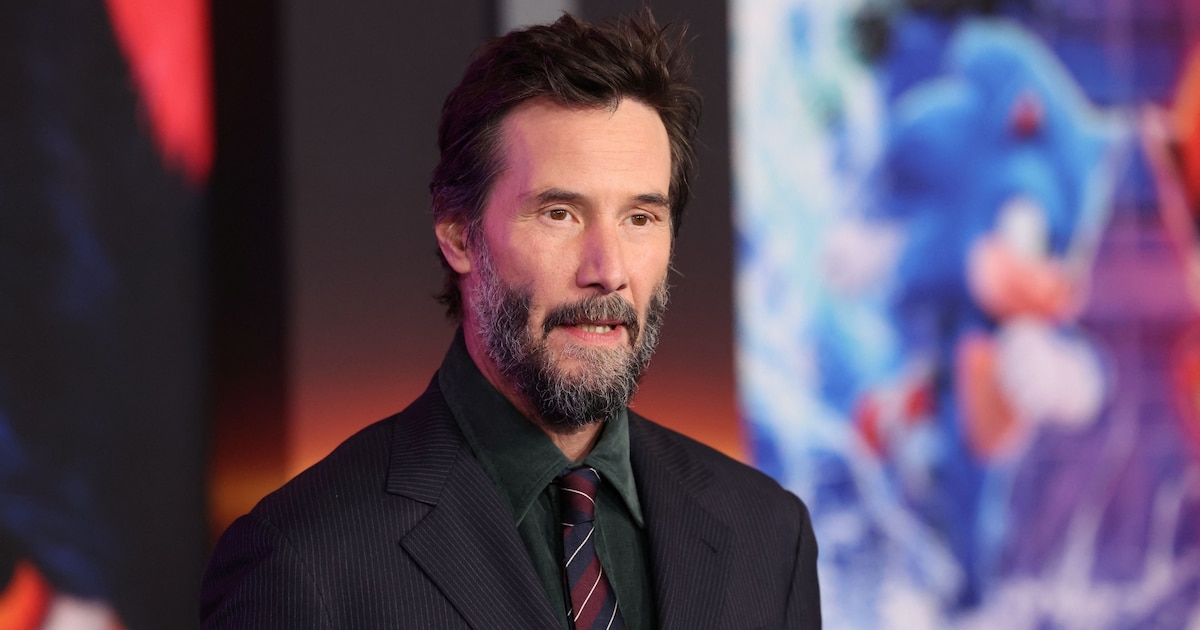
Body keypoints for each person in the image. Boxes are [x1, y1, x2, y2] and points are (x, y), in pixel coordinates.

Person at [200, 10, 820, 629]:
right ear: (458, 234)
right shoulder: (304, 559)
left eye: (640, 218)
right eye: (560, 213)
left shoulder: (768, 534)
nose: (608, 270)